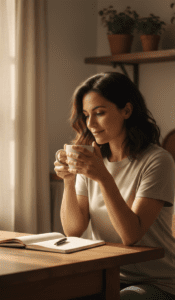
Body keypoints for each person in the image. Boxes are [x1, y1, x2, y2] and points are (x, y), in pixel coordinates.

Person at [54, 72, 175, 300]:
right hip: (104, 273)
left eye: (99, 113)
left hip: (154, 282)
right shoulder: (93, 158)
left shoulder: (157, 161)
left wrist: (104, 178)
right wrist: (69, 181)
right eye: (87, 115)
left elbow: (131, 235)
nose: (90, 124)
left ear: (126, 111)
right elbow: (73, 230)